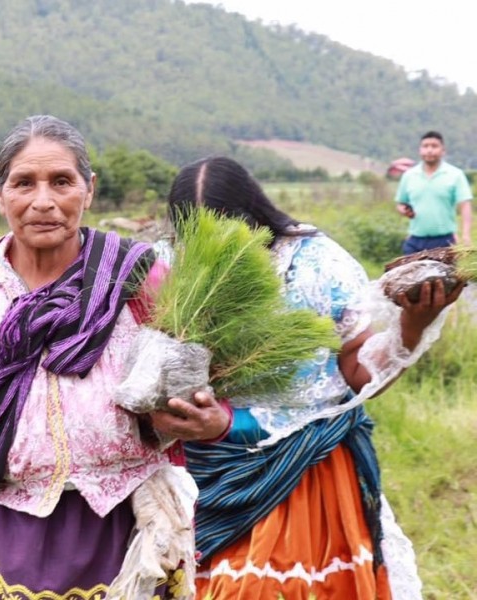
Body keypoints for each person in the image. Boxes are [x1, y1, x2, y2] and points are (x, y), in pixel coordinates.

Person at [0, 115, 231, 600]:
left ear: (89, 190)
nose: (43, 201)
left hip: (126, 527)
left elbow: (213, 391)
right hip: (1, 529)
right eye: (24, 183)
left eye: (61, 181)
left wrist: (213, 421)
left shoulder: (140, 279)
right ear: (0, 192)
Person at [166, 156, 463, 600]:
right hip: (204, 477)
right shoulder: (169, 269)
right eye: (197, 236)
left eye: (230, 231)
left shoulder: (317, 264)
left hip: (303, 469)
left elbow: (357, 369)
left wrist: (413, 326)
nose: (216, 248)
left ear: (255, 218)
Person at [395, 130, 473, 254]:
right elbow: (400, 203)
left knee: (445, 274)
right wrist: (404, 210)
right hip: (415, 241)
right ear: (420, 150)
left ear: (443, 150)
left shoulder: (455, 175)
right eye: (425, 146)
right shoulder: (409, 175)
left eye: (434, 146)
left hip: (445, 241)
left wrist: (466, 236)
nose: (429, 150)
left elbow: (465, 206)